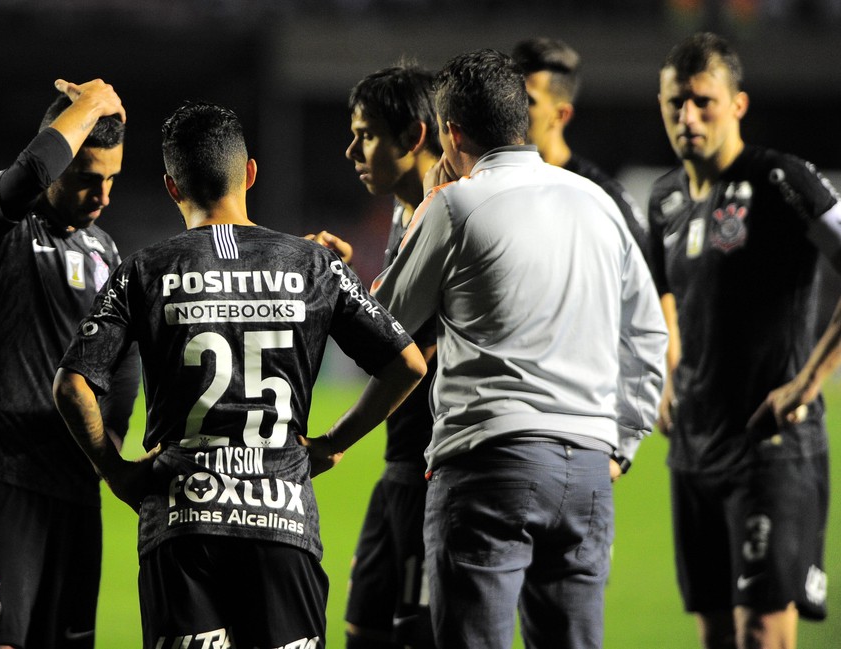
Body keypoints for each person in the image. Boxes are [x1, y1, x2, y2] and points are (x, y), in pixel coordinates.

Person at [52, 101, 426, 649]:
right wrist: (332, 443)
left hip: (182, 525)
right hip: (283, 525)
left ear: (172, 187)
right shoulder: (312, 264)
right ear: (249, 173)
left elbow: (72, 384)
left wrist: (117, 472)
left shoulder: (145, 269)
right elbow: (407, 364)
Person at [370, 49, 668, 649]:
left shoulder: (454, 203)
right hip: (587, 469)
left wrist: (426, 206)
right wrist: (623, 443)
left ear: (452, 132)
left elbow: (380, 324)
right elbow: (646, 332)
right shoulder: (596, 201)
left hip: (489, 465)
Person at [649, 32, 841, 649]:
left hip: (771, 449)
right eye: (676, 102)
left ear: (737, 105)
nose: (688, 116)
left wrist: (807, 382)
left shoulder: (781, 180)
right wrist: (670, 376)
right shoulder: (664, 200)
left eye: (703, 101)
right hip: (694, 451)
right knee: (716, 637)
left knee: (762, 633)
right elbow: (667, 299)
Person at [0, 78, 140, 649]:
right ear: (58, 162)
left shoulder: (104, 250)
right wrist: (92, 103)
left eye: (112, 180)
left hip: (75, 487)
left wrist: (109, 443)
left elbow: (124, 355)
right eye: (87, 179)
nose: (103, 197)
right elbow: (28, 174)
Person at [338, 64, 442, 649]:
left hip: (436, 469)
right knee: (364, 628)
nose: (352, 150)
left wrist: (331, 286)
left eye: (368, 135)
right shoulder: (407, 214)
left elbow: (403, 349)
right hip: (399, 462)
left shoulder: (451, 216)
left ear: (415, 136)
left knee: (417, 633)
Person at [511, 37, 651, 260]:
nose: (512, 108)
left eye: (528, 101)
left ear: (561, 114)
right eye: (510, 96)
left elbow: (650, 270)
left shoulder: (600, 196)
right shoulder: (485, 180)